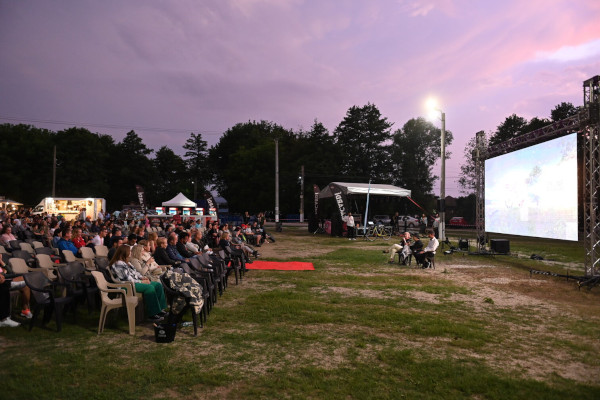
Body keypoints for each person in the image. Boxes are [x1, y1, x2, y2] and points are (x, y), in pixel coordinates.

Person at [109, 245, 167, 321]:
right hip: (126, 285)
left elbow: (135, 273)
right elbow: (127, 279)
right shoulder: (119, 264)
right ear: (124, 253)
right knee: (150, 288)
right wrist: (141, 281)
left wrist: (142, 277)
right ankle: (152, 314)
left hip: (133, 282)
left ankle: (160, 310)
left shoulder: (127, 263)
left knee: (157, 285)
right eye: (129, 251)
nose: (131, 253)